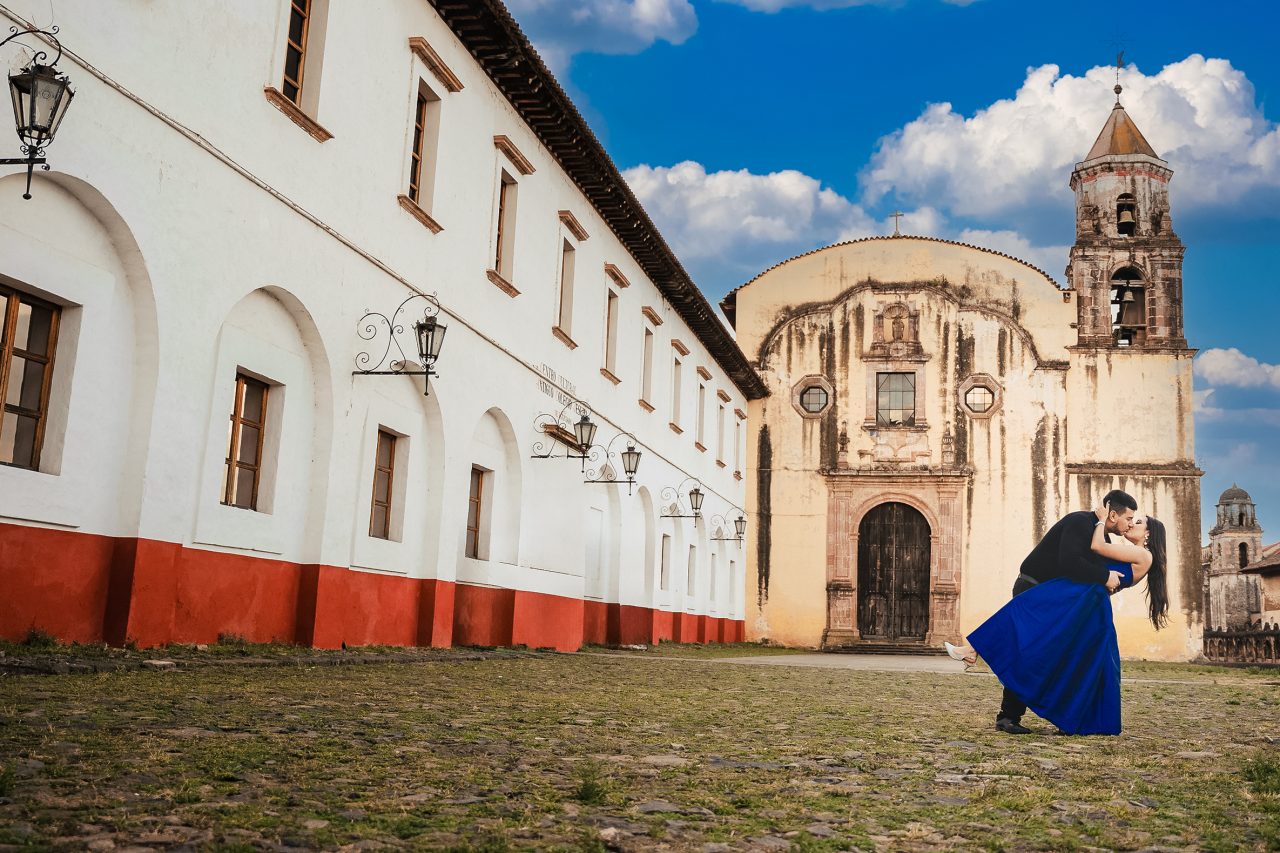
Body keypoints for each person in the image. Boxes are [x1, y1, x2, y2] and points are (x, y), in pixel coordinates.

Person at [946, 504, 1169, 735]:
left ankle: (974, 652)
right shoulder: (1136, 555)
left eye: (1138, 522)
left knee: (1023, 616)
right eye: (1131, 519)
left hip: (1078, 600)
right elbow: (1102, 573)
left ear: (1148, 535)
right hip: (1082, 601)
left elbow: (1096, 546)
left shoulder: (1142, 554)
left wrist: (1101, 520)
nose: (1133, 524)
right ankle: (974, 652)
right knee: (1064, 654)